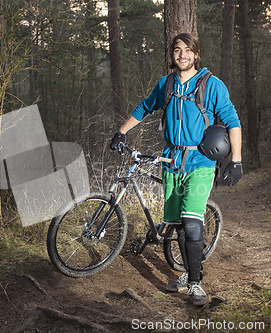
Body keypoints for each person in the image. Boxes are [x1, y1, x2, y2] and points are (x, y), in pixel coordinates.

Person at [109, 33, 242, 306]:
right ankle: (186, 277)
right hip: (171, 161)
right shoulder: (166, 84)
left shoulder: (212, 85)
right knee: (179, 223)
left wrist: (236, 159)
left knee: (192, 222)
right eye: (177, 50)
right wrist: (121, 132)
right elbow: (145, 107)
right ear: (172, 55)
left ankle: (195, 284)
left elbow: (232, 121)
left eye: (187, 51)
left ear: (196, 54)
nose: (182, 55)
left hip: (201, 163)